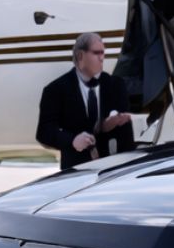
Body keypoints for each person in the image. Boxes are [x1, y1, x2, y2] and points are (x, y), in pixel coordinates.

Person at [36, 32, 135, 169]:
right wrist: (72, 141)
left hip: (112, 169)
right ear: (80, 56)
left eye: (103, 53)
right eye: (96, 53)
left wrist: (107, 126)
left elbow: (126, 134)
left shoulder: (115, 85)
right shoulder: (55, 90)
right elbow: (44, 132)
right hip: (77, 171)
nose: (102, 58)